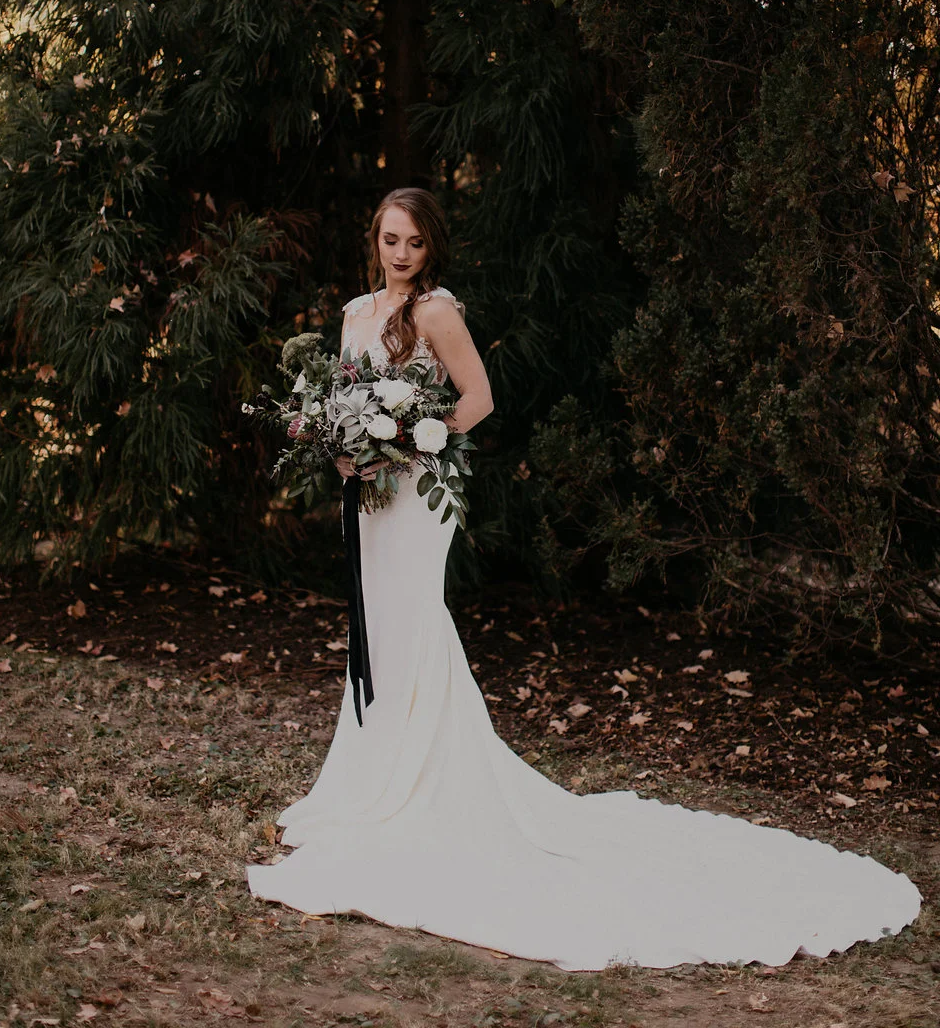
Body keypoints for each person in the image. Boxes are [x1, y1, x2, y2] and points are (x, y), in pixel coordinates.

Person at [246, 188, 920, 971]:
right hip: (367, 494)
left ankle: (425, 787)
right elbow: (343, 400)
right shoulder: (357, 312)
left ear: (431, 249)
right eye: (390, 240)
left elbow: (479, 399)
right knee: (379, 633)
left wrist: (413, 438)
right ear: (376, 240)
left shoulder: (435, 313)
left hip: (414, 493)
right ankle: (367, 781)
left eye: (414, 243)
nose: (400, 254)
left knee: (415, 623)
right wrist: (343, 442)